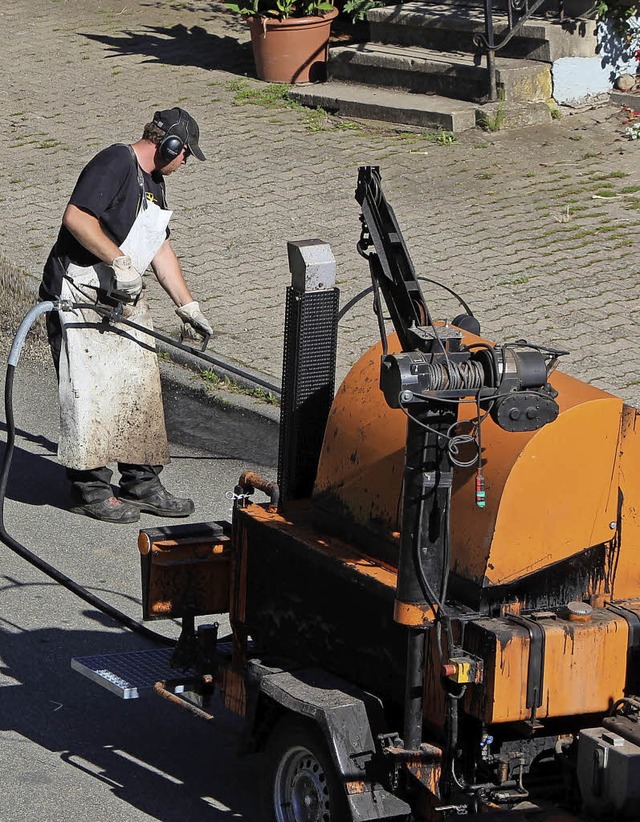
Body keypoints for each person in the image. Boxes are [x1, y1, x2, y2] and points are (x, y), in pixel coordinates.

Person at [40, 107, 213, 524]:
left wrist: (186, 304)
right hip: (76, 290)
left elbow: (159, 248)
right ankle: (91, 489)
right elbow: (77, 218)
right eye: (186, 153)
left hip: (119, 296)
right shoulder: (115, 161)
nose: (186, 161)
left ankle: (143, 483)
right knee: (89, 392)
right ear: (169, 144)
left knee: (139, 385)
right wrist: (119, 262)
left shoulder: (154, 183)